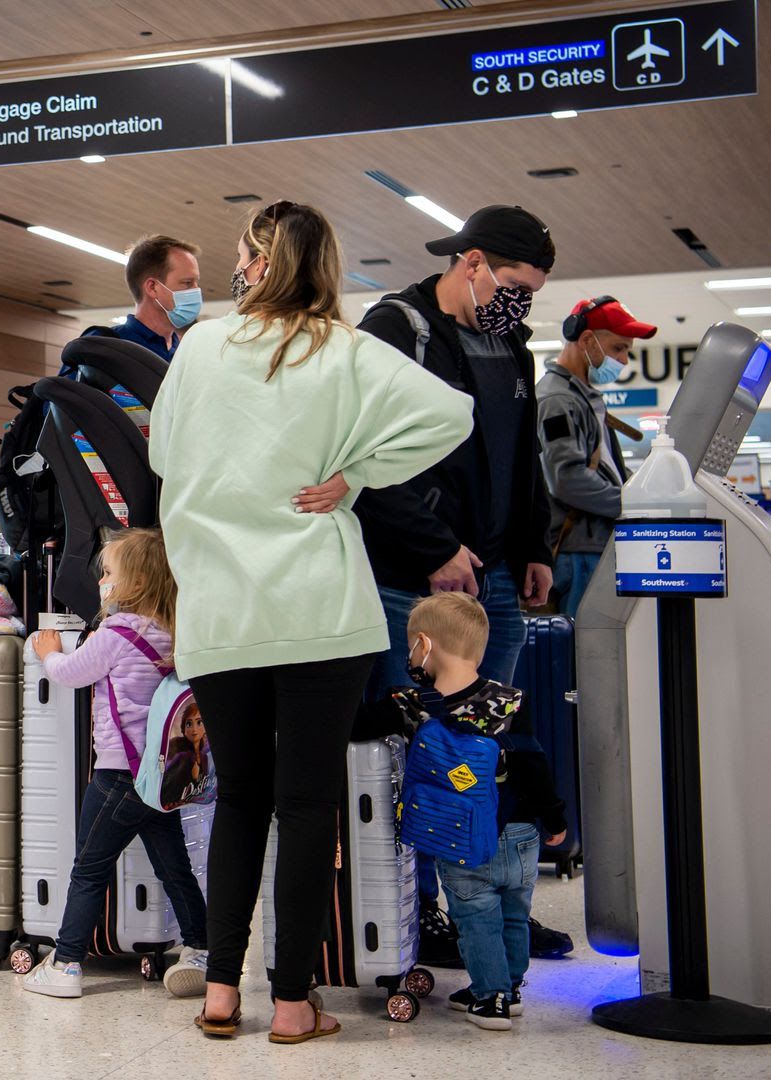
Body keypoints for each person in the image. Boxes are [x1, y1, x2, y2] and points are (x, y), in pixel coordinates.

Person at [147, 200, 472, 1042]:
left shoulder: (201, 346)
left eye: (243, 254)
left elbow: (162, 455)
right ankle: (293, 1004)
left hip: (222, 610)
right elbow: (451, 415)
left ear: (260, 261)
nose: (236, 268)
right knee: (305, 806)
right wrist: (356, 472)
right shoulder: (347, 350)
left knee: (237, 800)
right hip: (321, 611)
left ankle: (222, 992)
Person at [353, 204, 562, 965]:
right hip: (415, 581)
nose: (520, 304)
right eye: (514, 286)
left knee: (484, 749)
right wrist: (436, 546)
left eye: (531, 293)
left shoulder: (511, 344)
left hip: (496, 577)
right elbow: (364, 457)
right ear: (471, 263)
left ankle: (488, 908)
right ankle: (416, 915)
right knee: (418, 752)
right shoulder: (394, 330)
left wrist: (534, 544)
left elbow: (523, 458)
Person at [17, 529, 210, 1001]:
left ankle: (65, 964)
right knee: (175, 868)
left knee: (88, 870)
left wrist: (48, 653)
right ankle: (203, 949)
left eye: (108, 572)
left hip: (118, 776)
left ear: (135, 583)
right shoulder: (175, 633)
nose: (102, 580)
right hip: (162, 776)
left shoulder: (118, 632)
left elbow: (71, 674)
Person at [367, 593, 567, 1030]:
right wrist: (554, 818)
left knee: (475, 919)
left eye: (411, 648)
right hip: (520, 835)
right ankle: (510, 988)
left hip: (463, 838)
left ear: (424, 644)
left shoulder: (409, 703)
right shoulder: (511, 700)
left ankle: (490, 998)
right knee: (513, 914)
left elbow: (357, 728)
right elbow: (534, 765)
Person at [539, 297, 656, 618]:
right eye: (618, 348)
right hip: (576, 551)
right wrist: (632, 503)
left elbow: (605, 467)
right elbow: (567, 479)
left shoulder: (582, 397)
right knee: (588, 641)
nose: (624, 360)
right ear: (587, 340)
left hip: (592, 545)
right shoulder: (557, 401)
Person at [88, 234, 201, 360]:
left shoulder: (185, 356)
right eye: (187, 283)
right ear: (152, 287)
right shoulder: (104, 345)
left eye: (196, 283)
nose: (196, 291)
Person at [160, 704, 213, 809]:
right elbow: (168, 782)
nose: (194, 729)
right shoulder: (182, 756)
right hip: (170, 803)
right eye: (189, 724)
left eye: (199, 722)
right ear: (183, 729)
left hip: (191, 803)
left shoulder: (204, 757)